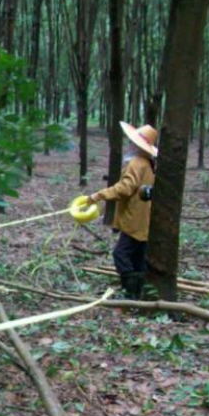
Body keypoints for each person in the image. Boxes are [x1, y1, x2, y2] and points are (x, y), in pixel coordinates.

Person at [87, 122, 158, 300]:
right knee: (138, 257)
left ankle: (130, 291)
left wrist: (98, 195)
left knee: (121, 254)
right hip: (143, 220)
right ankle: (139, 292)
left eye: (131, 142)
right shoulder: (147, 163)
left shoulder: (137, 163)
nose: (129, 144)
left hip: (134, 220)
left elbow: (125, 188)